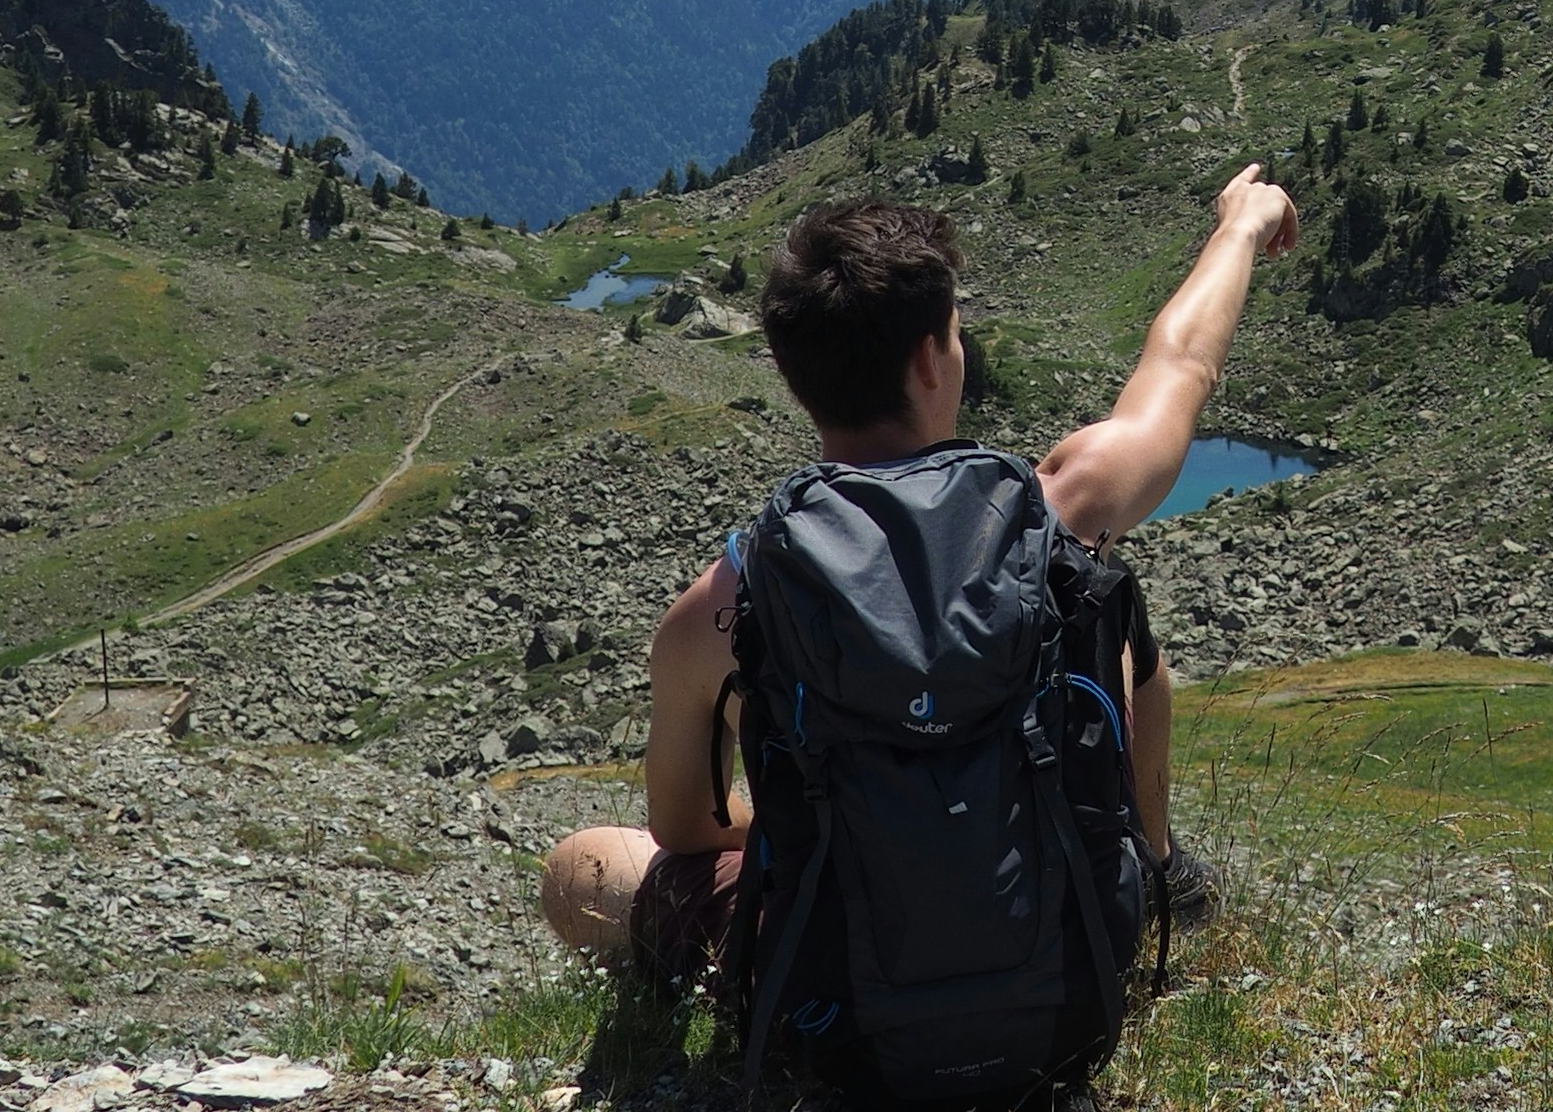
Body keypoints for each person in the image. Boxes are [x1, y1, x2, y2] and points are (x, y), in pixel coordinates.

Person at [541, 166, 1298, 990]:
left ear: (793, 374)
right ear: (931, 360)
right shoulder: (1060, 515)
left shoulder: (718, 606)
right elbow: (1182, 365)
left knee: (581, 863)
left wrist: (841, 822)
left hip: (839, 989)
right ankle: (1151, 872)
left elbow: (688, 828)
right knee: (1115, 618)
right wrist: (1240, 227)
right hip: (1065, 958)